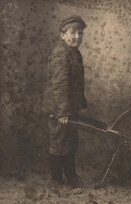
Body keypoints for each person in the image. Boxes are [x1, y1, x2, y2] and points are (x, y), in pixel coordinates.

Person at [42, 15, 87, 187]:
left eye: (80, 33)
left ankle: (71, 176)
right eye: (73, 33)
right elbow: (59, 85)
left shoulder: (73, 52)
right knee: (59, 141)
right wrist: (63, 111)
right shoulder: (60, 54)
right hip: (59, 108)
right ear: (62, 35)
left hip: (68, 108)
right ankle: (56, 179)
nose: (77, 37)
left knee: (69, 141)